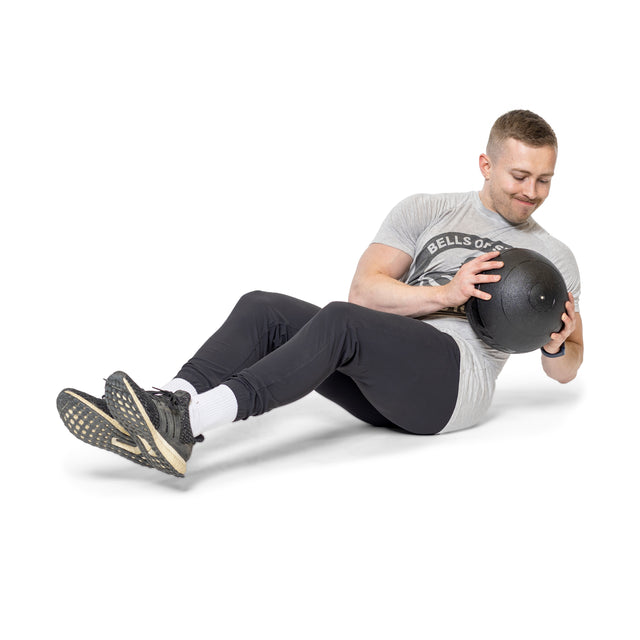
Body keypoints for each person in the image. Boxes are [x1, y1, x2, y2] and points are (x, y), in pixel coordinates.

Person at [57, 109, 583, 478]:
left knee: (338, 323)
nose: (531, 193)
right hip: (385, 375)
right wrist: (449, 290)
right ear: (486, 165)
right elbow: (364, 293)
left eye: (545, 180)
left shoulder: (552, 258)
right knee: (263, 306)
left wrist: (558, 347)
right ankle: (167, 403)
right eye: (520, 175)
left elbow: (566, 368)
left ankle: (184, 425)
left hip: (451, 386)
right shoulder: (425, 209)